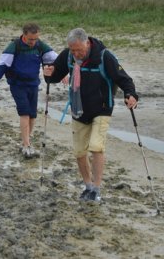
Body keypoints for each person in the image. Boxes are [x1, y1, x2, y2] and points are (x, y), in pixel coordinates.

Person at [43, 27, 138, 203]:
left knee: (96, 146)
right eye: (73, 50)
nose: (76, 54)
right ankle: (87, 186)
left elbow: (123, 79)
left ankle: (96, 188)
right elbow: (55, 75)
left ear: (87, 43)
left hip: (102, 108)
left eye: (79, 50)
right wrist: (48, 74)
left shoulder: (104, 56)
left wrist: (130, 95)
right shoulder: (68, 55)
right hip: (79, 109)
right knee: (79, 152)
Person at [0, 23, 57, 158]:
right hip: (17, 85)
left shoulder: (40, 45)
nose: (33, 42)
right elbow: (1, 65)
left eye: (36, 39)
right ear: (24, 35)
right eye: (31, 39)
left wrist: (62, 73)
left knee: (32, 115)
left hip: (33, 84)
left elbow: (54, 59)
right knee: (24, 113)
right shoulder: (14, 46)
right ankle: (26, 146)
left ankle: (27, 141)